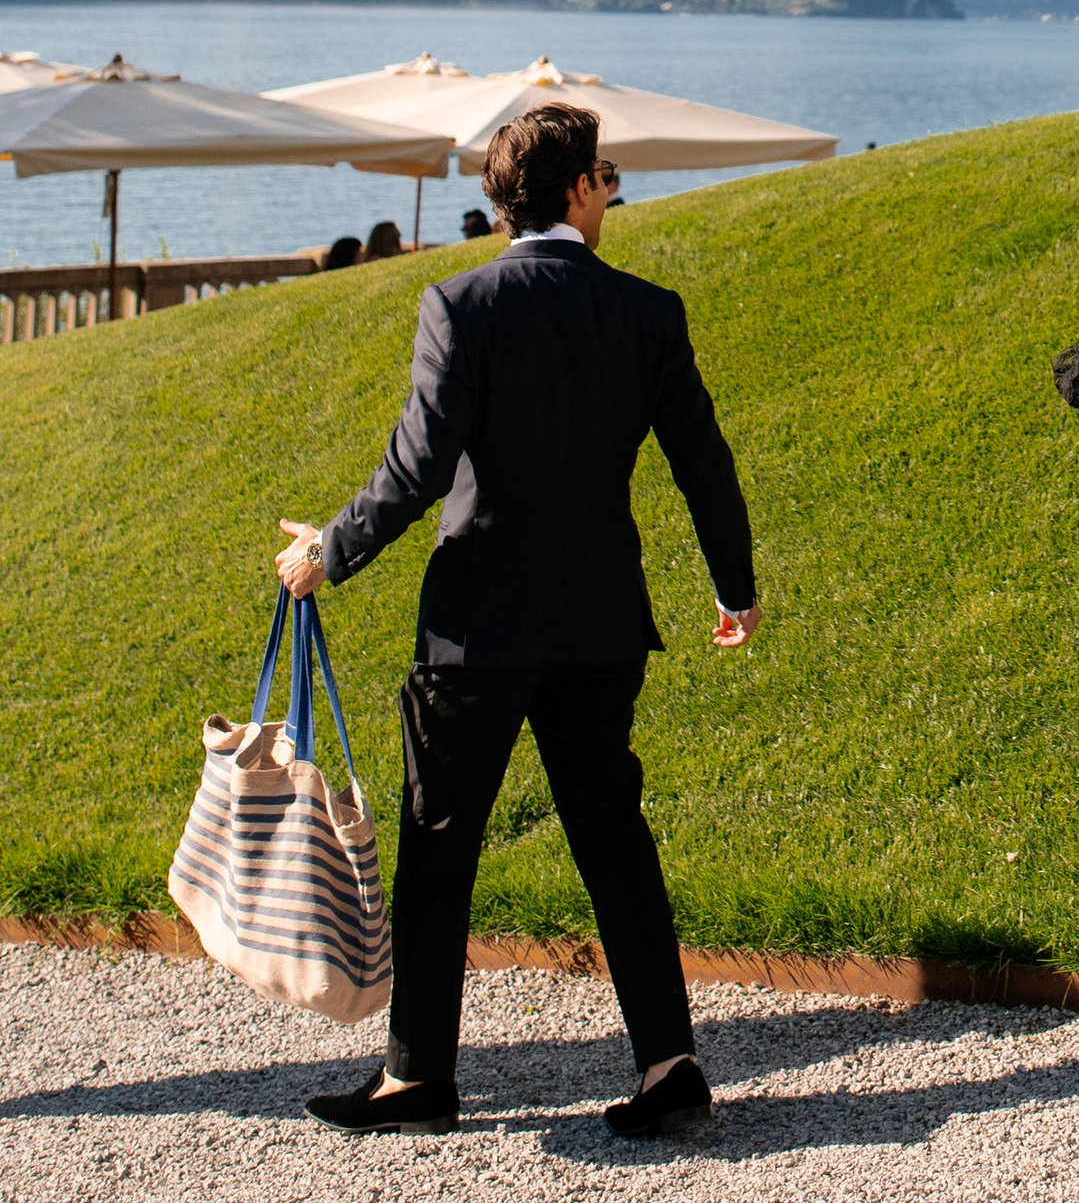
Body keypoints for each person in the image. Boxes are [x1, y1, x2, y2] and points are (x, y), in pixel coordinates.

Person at [273, 97, 762, 1141]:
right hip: (600, 623)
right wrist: (734, 588)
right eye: (606, 178)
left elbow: (417, 466)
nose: (611, 195)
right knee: (613, 836)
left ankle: (417, 1076)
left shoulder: (461, 304)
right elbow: (703, 462)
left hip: (478, 625)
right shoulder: (647, 310)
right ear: (578, 189)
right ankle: (669, 1061)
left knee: (439, 841)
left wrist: (328, 550)